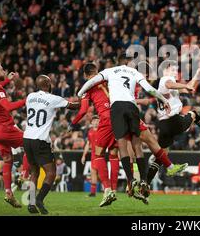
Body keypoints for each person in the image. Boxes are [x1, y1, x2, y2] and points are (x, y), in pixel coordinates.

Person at [77, 57, 188, 201]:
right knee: (140, 144)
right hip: (131, 108)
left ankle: (130, 181)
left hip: (116, 110)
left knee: (123, 146)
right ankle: (148, 177)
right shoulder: (134, 72)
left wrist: (80, 93)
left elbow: (92, 82)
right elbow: (149, 89)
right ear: (128, 63)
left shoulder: (109, 71)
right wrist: (164, 99)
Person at [147, 63, 200, 189]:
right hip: (172, 121)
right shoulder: (165, 80)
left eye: (176, 70)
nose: (175, 72)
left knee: (162, 156)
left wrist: (197, 74)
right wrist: (185, 85)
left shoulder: (170, 84)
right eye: (172, 69)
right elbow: (171, 84)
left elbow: (189, 87)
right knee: (193, 114)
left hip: (163, 124)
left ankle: (145, 183)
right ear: (165, 70)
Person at [24, 75, 80, 214]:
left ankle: (31, 203)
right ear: (49, 84)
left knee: (34, 171)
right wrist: (85, 98)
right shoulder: (53, 98)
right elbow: (74, 106)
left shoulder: (30, 97)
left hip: (27, 138)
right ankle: (39, 199)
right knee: (51, 172)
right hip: (40, 139)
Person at [72, 63, 118, 206]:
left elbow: (83, 110)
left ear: (86, 75)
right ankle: (115, 190)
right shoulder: (108, 78)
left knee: (98, 155)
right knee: (114, 154)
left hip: (106, 118)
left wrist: (73, 123)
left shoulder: (87, 86)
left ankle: (108, 190)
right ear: (97, 71)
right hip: (120, 115)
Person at [0, 59, 26, 207]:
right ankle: (24, 174)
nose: (3, 70)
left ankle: (8, 193)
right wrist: (26, 100)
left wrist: (8, 79)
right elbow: (7, 106)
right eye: (1, 69)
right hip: (4, 129)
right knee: (31, 142)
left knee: (8, 159)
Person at [81, 116, 101, 197]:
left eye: (97, 121)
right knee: (93, 173)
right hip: (93, 155)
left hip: (101, 155)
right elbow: (88, 144)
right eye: (94, 121)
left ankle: (109, 190)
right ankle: (93, 192)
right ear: (91, 123)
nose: (96, 122)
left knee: (102, 174)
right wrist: (83, 156)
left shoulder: (101, 131)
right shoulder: (90, 131)